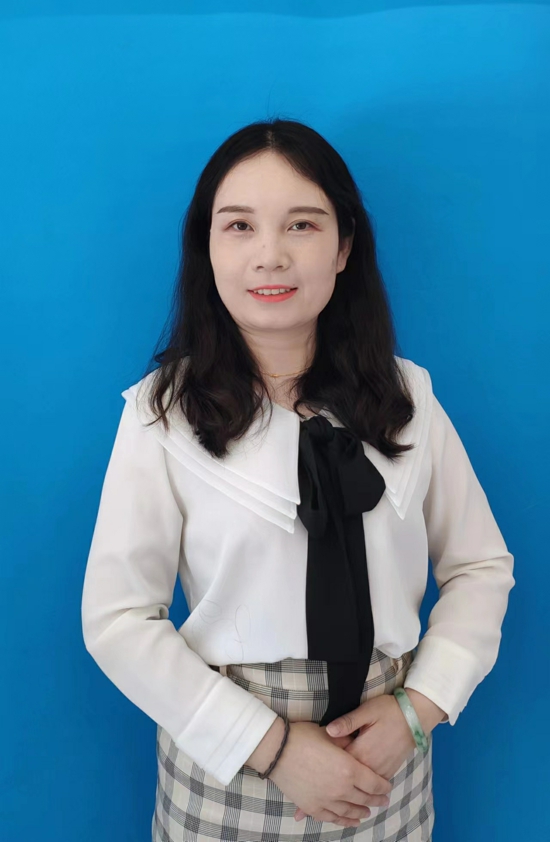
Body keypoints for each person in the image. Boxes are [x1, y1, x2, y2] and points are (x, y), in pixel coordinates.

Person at [81, 117, 515, 841]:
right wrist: (274, 747)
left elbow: (480, 566)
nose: (270, 255)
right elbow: (117, 619)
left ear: (344, 248)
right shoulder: (161, 415)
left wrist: (418, 709)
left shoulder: (409, 399)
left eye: (303, 225)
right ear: (207, 248)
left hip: (386, 758)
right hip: (230, 757)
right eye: (239, 226)